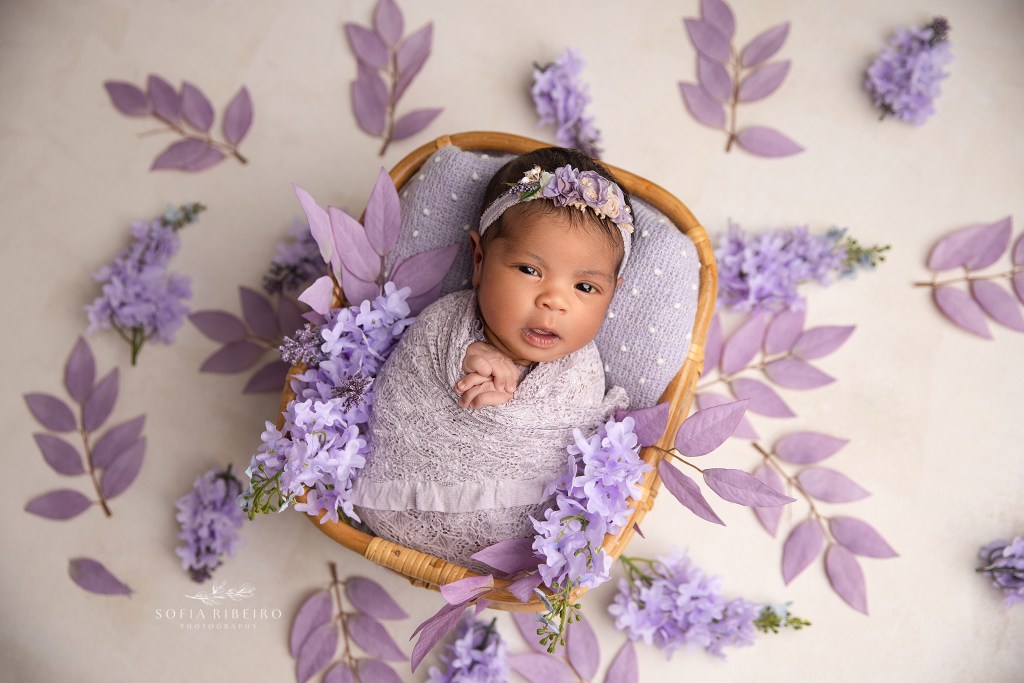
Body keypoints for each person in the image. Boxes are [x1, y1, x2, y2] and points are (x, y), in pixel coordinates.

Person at [350, 147, 633, 568]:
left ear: (612, 294)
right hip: (391, 501)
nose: (554, 301)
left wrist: (511, 402)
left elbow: (565, 448)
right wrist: (465, 360)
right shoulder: (447, 321)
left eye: (586, 288)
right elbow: (405, 391)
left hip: (514, 547)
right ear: (479, 260)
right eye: (529, 270)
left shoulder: (583, 369)